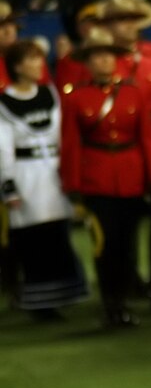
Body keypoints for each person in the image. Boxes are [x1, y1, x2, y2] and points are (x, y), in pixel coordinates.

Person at [60, 27, 151, 327]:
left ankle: (124, 300)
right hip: (97, 178)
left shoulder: (132, 91)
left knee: (127, 242)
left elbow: (147, 137)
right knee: (105, 245)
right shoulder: (77, 97)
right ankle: (111, 304)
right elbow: (71, 144)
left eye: (108, 56)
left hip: (130, 177)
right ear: (88, 63)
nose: (104, 62)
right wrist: (74, 185)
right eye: (96, 57)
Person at [0, 40, 87, 318]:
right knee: (32, 238)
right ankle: (40, 301)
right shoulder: (4, 103)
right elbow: (3, 147)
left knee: (57, 233)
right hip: (26, 174)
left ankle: (64, 291)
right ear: (17, 66)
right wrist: (8, 185)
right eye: (32, 59)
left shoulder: (50, 94)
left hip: (53, 172)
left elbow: (64, 135)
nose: (39, 65)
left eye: (40, 59)